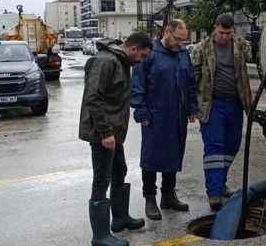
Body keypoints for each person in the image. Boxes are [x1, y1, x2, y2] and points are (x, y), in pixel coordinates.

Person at [79, 32, 153, 246]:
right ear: (133, 49)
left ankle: (120, 219)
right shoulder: (106, 62)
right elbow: (92, 98)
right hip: (103, 133)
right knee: (101, 180)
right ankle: (100, 237)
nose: (142, 61)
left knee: (119, 171)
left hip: (114, 132)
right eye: (142, 56)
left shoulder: (120, 61)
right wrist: (105, 132)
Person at [131, 19, 199, 220]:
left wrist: (192, 107)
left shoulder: (183, 54)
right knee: (151, 157)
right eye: (178, 39)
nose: (181, 44)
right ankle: (150, 198)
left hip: (178, 114)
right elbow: (137, 84)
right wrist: (141, 112)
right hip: (155, 115)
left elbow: (190, 82)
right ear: (167, 32)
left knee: (174, 153)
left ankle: (168, 194)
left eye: (183, 40)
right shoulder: (150, 54)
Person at [191, 13, 254, 210]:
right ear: (214, 28)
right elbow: (193, 77)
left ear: (233, 29)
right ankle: (214, 192)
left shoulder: (241, 45)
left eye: (228, 33)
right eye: (221, 33)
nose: (225, 37)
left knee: (232, 146)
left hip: (236, 104)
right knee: (214, 148)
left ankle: (221, 182)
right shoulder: (202, 48)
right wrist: (191, 106)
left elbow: (256, 58)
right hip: (213, 105)